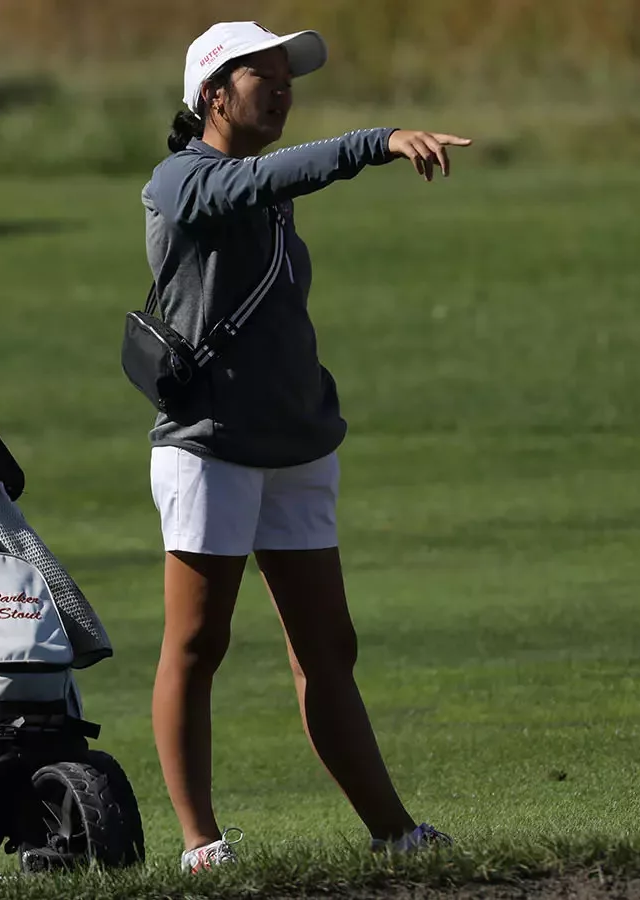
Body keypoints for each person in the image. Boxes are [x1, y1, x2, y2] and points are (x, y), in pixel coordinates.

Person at [138, 21, 470, 873]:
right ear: (213, 95)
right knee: (197, 644)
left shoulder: (261, 185)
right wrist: (379, 141)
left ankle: (395, 831)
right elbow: (261, 178)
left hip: (296, 444)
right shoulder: (180, 180)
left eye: (288, 77)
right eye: (263, 76)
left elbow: (270, 194)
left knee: (328, 648)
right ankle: (201, 844)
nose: (283, 88)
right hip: (210, 446)